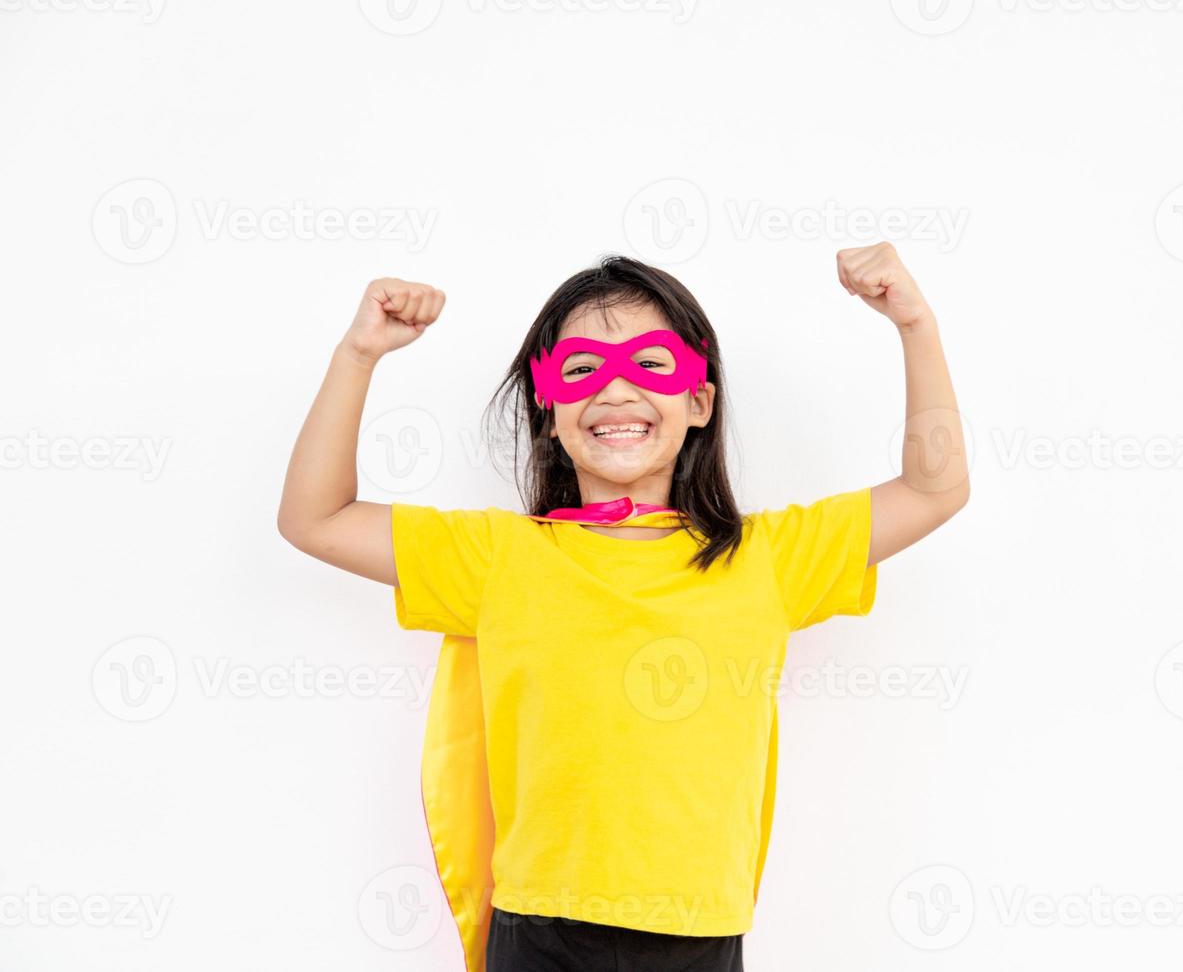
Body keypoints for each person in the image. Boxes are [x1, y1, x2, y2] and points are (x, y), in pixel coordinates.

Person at [276, 244, 969, 971]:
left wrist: (913, 324)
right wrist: (360, 355)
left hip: (698, 931)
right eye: (580, 370)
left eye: (651, 364)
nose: (613, 391)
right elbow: (315, 517)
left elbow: (934, 489)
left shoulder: (766, 558)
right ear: (547, 410)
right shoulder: (498, 557)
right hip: (540, 927)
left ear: (699, 400)